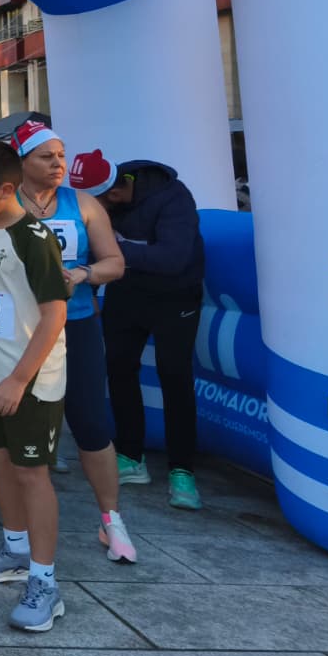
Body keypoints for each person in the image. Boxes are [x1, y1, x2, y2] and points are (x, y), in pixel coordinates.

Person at [0, 140, 71, 632]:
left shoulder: (35, 237)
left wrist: (20, 380)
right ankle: (15, 547)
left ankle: (45, 582)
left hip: (32, 382)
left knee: (31, 473)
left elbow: (54, 314)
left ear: (5, 190)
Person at [13, 123, 136, 561]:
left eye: (62, 155)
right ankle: (19, 529)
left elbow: (115, 263)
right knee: (22, 428)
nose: (58, 163)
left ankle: (112, 520)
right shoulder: (5, 206)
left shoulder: (83, 205)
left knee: (91, 423)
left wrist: (83, 275)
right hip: (21, 329)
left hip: (77, 324)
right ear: (23, 161)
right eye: (47, 156)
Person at [79, 150, 208, 510]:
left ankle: (182, 471)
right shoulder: (105, 202)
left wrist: (111, 251)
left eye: (96, 203)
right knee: (119, 368)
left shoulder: (173, 197)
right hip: (127, 292)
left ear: (115, 192)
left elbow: (172, 258)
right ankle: (131, 456)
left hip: (175, 295)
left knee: (174, 375)